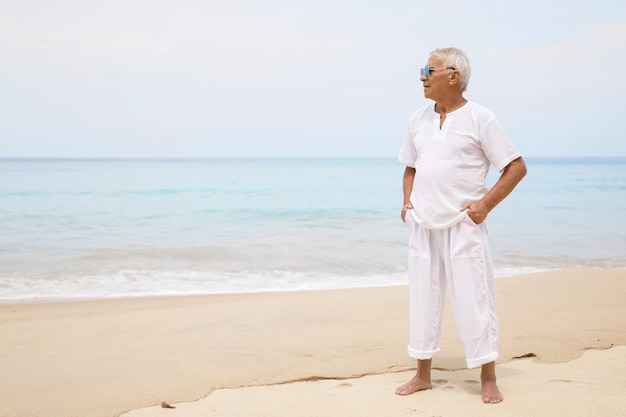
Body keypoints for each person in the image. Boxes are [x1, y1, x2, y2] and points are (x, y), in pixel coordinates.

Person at [396, 47, 527, 404]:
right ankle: (422, 375)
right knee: (423, 300)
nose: (422, 76)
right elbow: (410, 166)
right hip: (423, 223)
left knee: (475, 299)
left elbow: (515, 166)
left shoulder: (480, 118)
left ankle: (487, 376)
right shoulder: (417, 120)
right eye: (422, 69)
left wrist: (485, 205)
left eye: (429, 69)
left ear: (453, 76)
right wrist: (407, 203)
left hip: (462, 224)